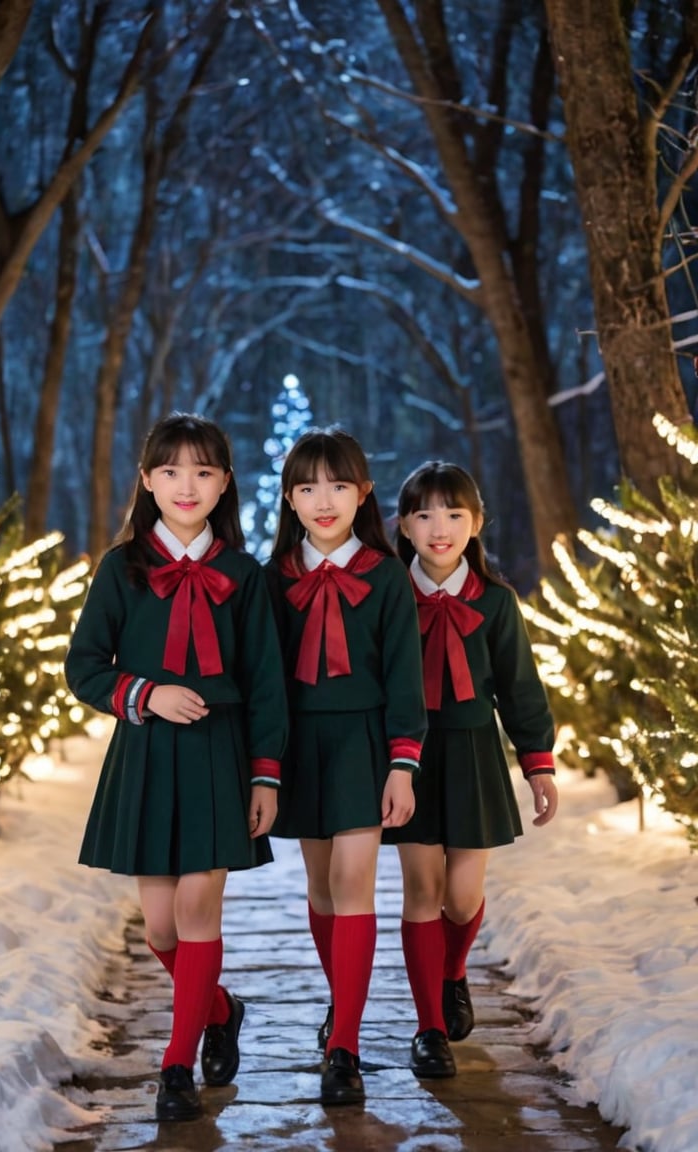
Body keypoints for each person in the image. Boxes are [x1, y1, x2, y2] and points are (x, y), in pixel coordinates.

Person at [65, 413, 287, 1122]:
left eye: (202, 471)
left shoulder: (243, 575)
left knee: (197, 910)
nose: (185, 485)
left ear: (224, 482)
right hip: (148, 756)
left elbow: (266, 684)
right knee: (160, 928)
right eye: (170, 471)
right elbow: (84, 667)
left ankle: (176, 1067)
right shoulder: (120, 568)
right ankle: (221, 1010)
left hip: (220, 758)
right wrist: (145, 692)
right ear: (147, 481)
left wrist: (265, 774)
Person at [265, 428, 427, 1107]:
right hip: (302, 745)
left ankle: (346, 1047)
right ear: (290, 500)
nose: (323, 500)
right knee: (323, 887)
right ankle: (342, 1002)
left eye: (337, 485)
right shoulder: (275, 579)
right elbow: (265, 679)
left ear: (363, 493)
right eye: (307, 488)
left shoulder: (386, 576)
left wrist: (402, 764)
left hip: (365, 744)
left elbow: (404, 677)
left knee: (355, 879)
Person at [382, 461, 559, 1080]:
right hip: (410, 756)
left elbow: (520, 688)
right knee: (422, 892)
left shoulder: (495, 601)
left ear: (476, 522)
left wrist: (538, 764)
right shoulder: (387, 594)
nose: (440, 528)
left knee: (461, 897)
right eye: (424, 514)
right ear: (403, 525)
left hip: (474, 752)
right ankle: (429, 1025)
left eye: (455, 514)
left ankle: (454, 971)